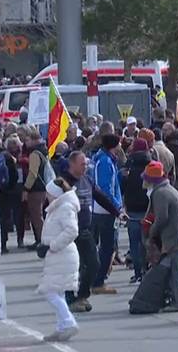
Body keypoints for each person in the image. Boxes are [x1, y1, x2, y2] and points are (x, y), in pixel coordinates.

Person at [59, 151, 121, 313]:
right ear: (71, 164)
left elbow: (101, 197)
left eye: (86, 164)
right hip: (68, 231)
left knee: (94, 263)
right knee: (72, 266)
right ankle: (70, 298)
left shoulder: (87, 179)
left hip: (85, 230)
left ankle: (82, 295)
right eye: (82, 164)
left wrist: (117, 212)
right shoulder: (62, 181)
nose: (85, 167)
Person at [144, 161, 178, 312]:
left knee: (176, 270)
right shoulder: (168, 188)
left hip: (176, 237)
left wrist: (152, 233)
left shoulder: (160, 193)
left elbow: (162, 218)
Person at [38, 179, 80, 342]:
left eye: (48, 193)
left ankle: (68, 322)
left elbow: (72, 231)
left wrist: (52, 245)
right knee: (58, 291)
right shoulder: (57, 208)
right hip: (58, 255)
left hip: (63, 254)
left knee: (49, 290)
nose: (46, 196)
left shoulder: (65, 208)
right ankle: (62, 326)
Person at [91, 134, 125, 295]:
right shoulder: (105, 161)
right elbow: (105, 188)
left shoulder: (105, 159)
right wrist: (117, 208)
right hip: (105, 210)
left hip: (103, 208)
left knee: (104, 247)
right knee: (107, 247)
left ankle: (96, 278)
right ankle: (98, 281)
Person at [123, 139, 152, 283]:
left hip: (132, 209)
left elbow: (122, 186)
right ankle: (147, 270)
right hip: (148, 208)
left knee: (134, 243)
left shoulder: (129, 166)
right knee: (147, 242)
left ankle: (137, 272)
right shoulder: (151, 165)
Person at [23, 130, 50, 249]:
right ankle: (40, 239)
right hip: (44, 188)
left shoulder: (34, 154)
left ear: (33, 140)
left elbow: (33, 173)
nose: (25, 142)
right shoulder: (44, 151)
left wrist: (26, 188)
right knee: (39, 216)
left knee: (37, 216)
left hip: (36, 189)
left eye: (27, 140)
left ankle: (42, 241)